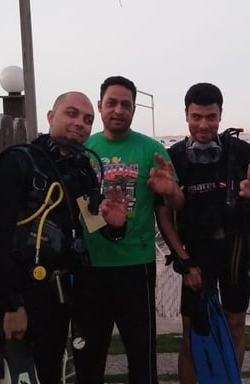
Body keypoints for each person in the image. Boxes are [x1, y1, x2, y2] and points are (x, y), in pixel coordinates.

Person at [0, 91, 128, 383]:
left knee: (50, 370)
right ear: (51, 117)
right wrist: (12, 305)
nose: (80, 124)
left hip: (61, 296)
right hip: (23, 294)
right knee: (18, 373)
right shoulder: (19, 163)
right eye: (71, 114)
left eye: (88, 120)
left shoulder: (82, 170)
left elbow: (93, 225)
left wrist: (115, 225)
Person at [157, 82, 250, 383]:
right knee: (191, 333)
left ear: (221, 115)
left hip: (236, 251)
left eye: (211, 117)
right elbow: (163, 215)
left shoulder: (241, 151)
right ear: (186, 115)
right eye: (196, 117)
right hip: (196, 254)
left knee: (235, 326)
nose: (203, 125)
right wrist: (183, 261)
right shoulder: (176, 157)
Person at [70, 75, 184, 384]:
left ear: (134, 109)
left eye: (126, 104)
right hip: (90, 268)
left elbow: (174, 204)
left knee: (142, 357)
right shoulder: (83, 150)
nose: (118, 110)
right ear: (100, 106)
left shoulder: (151, 150)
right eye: (112, 103)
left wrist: (170, 190)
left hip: (136, 267)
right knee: (89, 357)